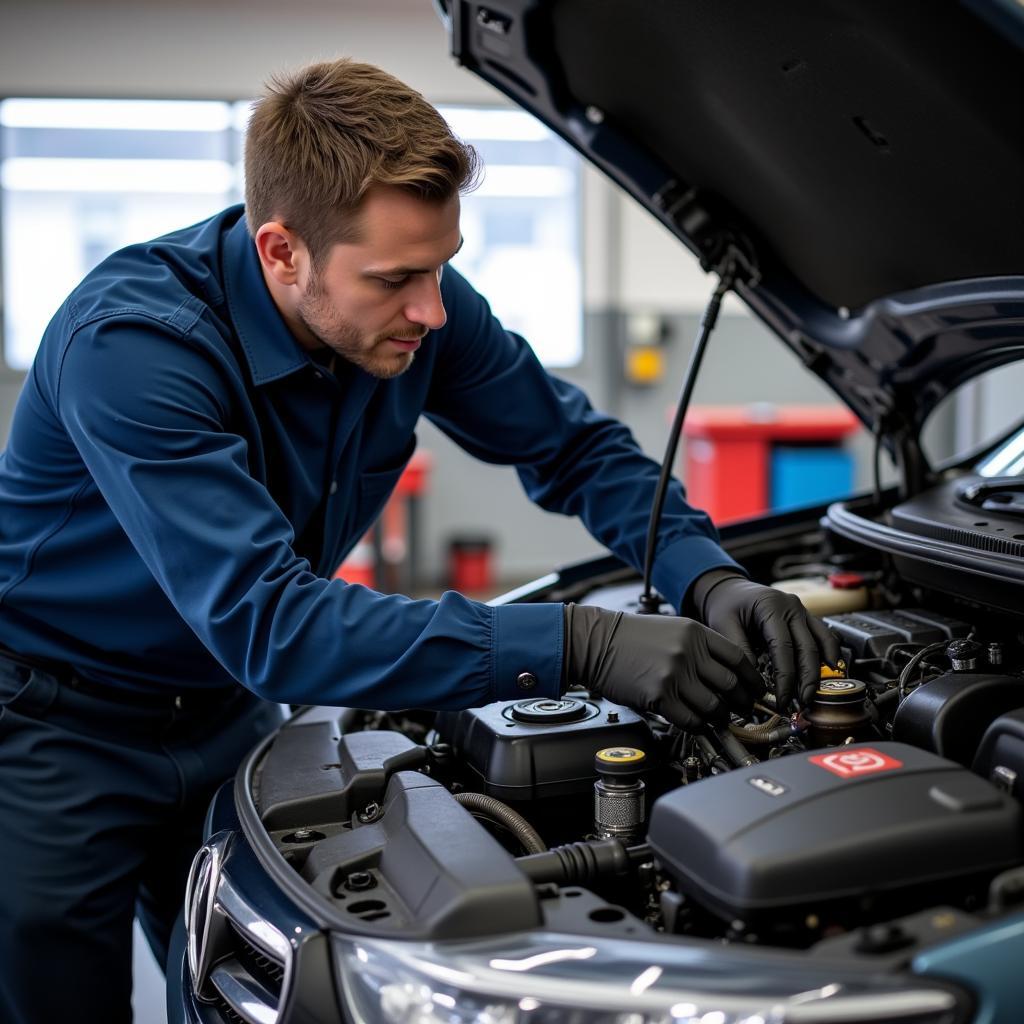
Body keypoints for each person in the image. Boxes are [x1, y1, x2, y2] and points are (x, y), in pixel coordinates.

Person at [0, 59, 838, 1021]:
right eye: (396, 279)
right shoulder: (136, 349)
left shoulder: (418, 310)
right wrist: (579, 643)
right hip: (56, 729)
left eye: (440, 267)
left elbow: (575, 448)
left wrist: (710, 579)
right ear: (282, 252)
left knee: (231, 991)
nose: (432, 311)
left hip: (222, 717)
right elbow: (275, 627)